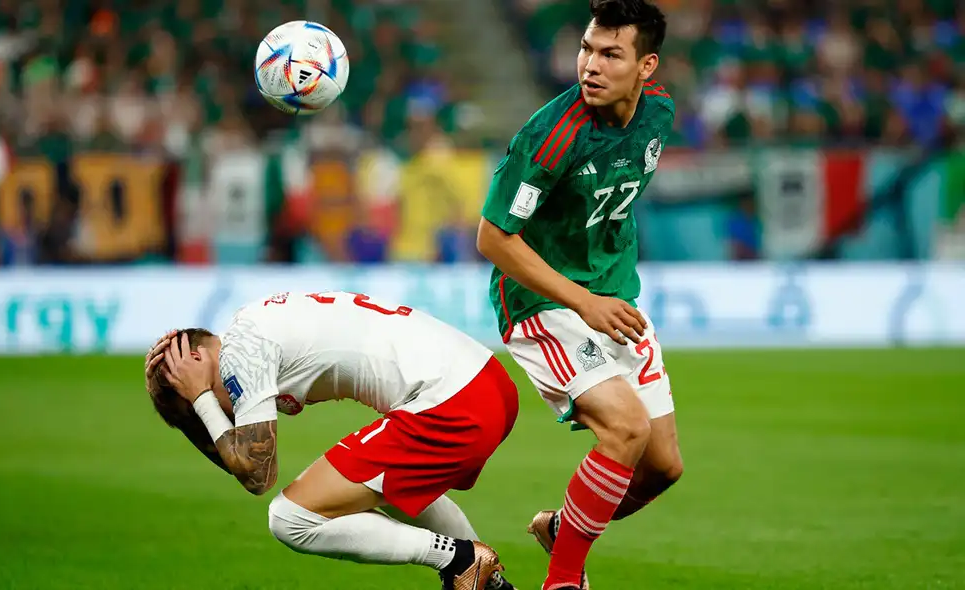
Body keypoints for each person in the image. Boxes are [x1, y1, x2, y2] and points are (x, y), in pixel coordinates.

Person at [475, 1, 683, 589]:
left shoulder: (659, 113)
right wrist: (582, 301)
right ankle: (563, 579)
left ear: (646, 66)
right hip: (544, 305)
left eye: (610, 54)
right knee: (626, 429)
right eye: (586, 49)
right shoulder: (550, 135)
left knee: (663, 467)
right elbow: (493, 237)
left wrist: (602, 292)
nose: (591, 65)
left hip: (616, 300)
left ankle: (563, 529)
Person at [143, 289, 519, 590]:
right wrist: (193, 406)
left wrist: (200, 398)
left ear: (198, 358)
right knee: (385, 491)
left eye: (204, 398)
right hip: (487, 382)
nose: (215, 411)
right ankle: (491, 584)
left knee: (290, 518)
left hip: (454, 399)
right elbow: (235, 455)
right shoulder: (252, 328)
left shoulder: (240, 355)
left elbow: (257, 474)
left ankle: (460, 559)